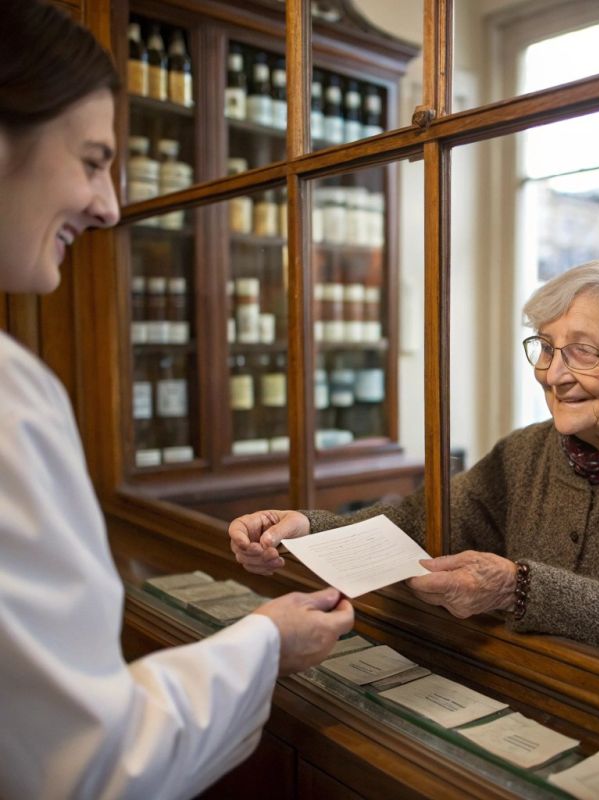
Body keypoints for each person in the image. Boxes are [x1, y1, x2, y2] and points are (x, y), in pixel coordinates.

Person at [0, 3, 353, 799]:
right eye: (92, 160)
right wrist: (265, 642)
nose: (109, 206)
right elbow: (90, 768)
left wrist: (310, 528)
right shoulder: (9, 398)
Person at [230, 257, 599, 701]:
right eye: (546, 346)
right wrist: (306, 529)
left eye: (583, 351)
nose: (553, 374)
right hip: (547, 691)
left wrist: (515, 586)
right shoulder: (527, 450)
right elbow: (415, 523)